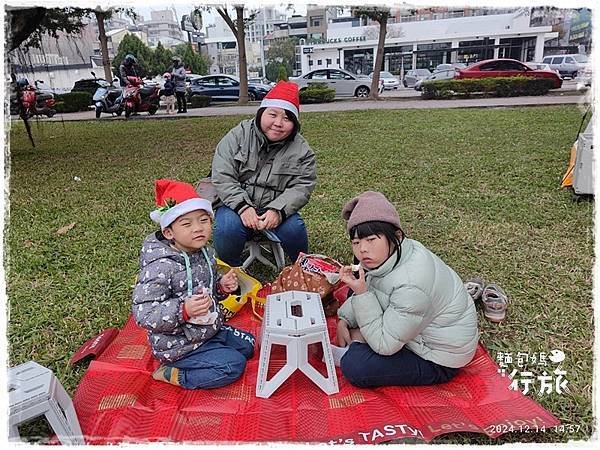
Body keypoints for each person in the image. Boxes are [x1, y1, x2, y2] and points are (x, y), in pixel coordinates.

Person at [336, 191, 478, 388]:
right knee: (357, 284)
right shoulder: (396, 252)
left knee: (355, 365)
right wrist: (344, 320)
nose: (363, 250)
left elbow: (384, 345)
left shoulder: (412, 283)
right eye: (356, 242)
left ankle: (363, 333)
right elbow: (377, 286)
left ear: (396, 236)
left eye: (371, 239)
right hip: (415, 324)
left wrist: (360, 309)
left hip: (438, 355)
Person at [132, 179, 255, 389]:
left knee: (249, 345)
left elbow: (202, 285)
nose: (198, 229)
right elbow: (144, 314)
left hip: (208, 329)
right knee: (233, 366)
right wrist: (184, 310)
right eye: (187, 224)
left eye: (203, 220)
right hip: (179, 344)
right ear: (169, 232)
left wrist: (220, 286)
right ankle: (174, 372)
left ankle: (213, 348)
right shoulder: (160, 266)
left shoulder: (206, 252)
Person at [210, 81, 317, 267]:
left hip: (276, 205)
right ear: (261, 113)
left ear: (295, 124)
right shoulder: (237, 135)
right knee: (227, 229)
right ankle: (230, 274)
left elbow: (302, 186)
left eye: (287, 118)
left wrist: (278, 211)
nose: (278, 123)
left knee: (295, 230)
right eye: (272, 115)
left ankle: (302, 270)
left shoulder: (302, 150)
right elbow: (222, 174)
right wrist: (243, 207)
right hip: (234, 204)